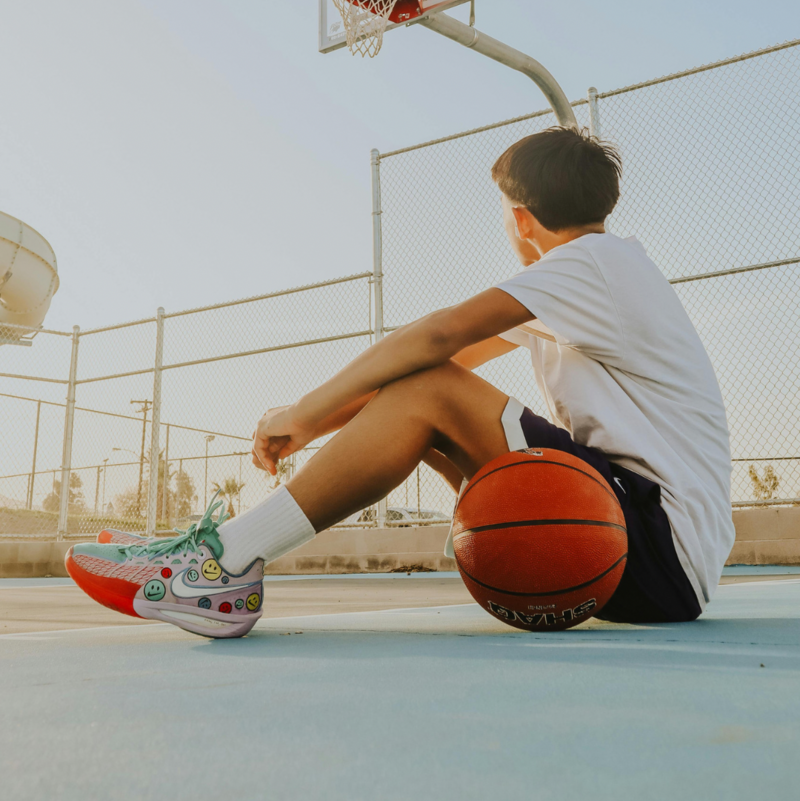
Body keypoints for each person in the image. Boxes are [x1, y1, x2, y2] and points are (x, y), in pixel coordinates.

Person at [65, 126, 734, 638]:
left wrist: (304, 409)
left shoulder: (592, 266)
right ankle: (222, 560)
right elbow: (424, 372)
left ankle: (222, 565)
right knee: (428, 390)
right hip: (645, 550)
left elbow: (438, 341)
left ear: (520, 220)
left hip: (652, 544)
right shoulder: (595, 277)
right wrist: (307, 423)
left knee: (431, 386)